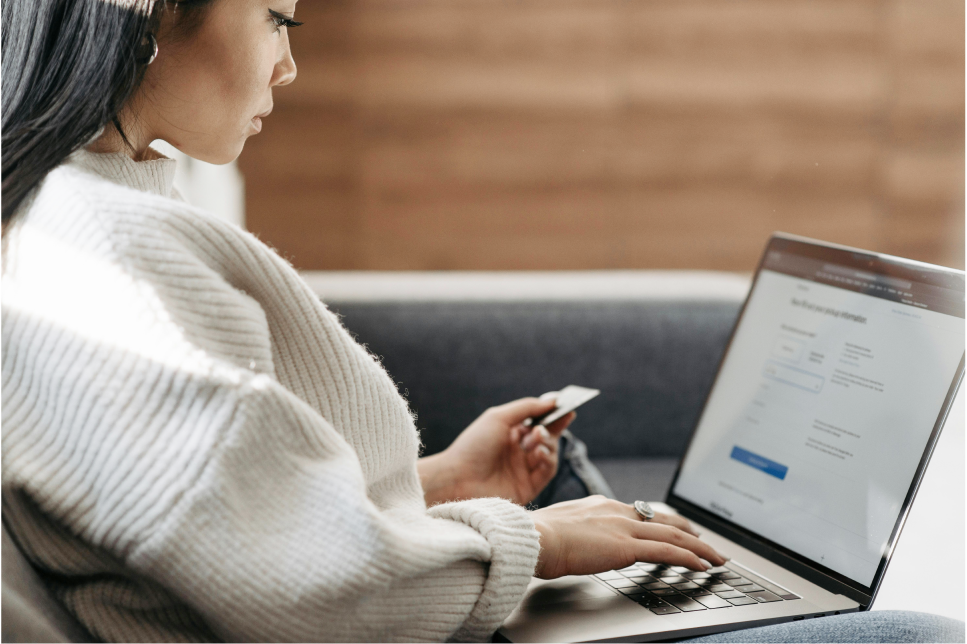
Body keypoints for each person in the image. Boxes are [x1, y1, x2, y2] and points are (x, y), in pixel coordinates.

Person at [0, 1, 962, 643]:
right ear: (150, 11)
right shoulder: (103, 254)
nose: (289, 65)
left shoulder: (87, 212)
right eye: (275, 18)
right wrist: (529, 542)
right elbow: (301, 585)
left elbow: (228, 523)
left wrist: (440, 487)